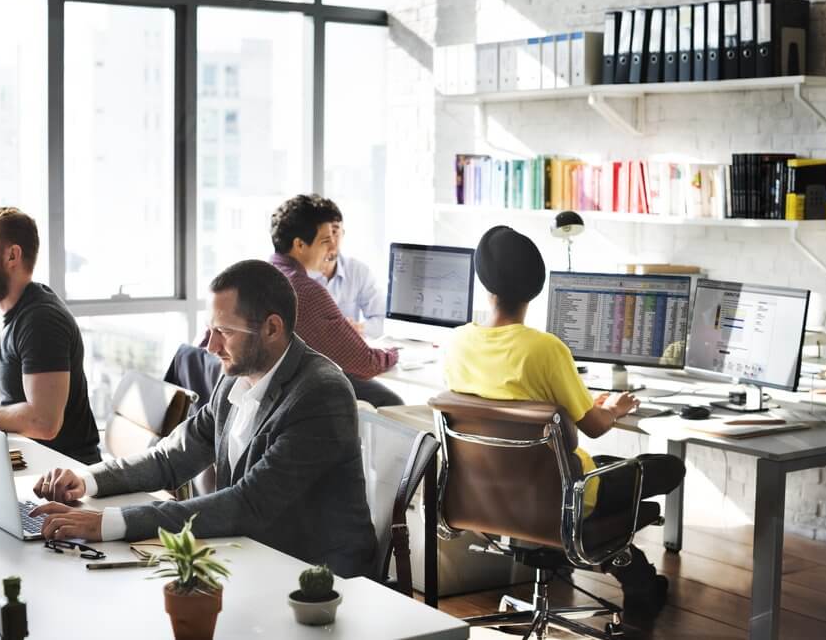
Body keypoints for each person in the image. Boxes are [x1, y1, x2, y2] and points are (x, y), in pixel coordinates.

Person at [30, 260, 378, 578]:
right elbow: (171, 457)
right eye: (210, 329)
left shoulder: (320, 393)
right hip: (253, 557)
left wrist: (107, 523)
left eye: (224, 331)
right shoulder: (234, 379)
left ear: (272, 328)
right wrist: (86, 479)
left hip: (320, 579)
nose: (210, 346)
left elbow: (247, 504)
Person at [443, 225, 686, 619]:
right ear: (536, 288)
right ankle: (635, 577)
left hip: (487, 496)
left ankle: (628, 571)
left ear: (484, 283)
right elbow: (593, 425)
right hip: (564, 496)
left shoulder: (456, 343)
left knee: (603, 465)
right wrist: (615, 409)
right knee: (667, 467)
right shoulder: (546, 349)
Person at [0, 207, 100, 464]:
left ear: (12, 256)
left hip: (62, 472)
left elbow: (44, 422)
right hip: (18, 458)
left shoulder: (41, 320)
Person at [269, 194, 403, 408]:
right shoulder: (305, 291)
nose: (333, 247)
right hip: (291, 397)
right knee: (392, 402)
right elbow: (365, 363)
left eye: (335, 235)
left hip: (271, 392)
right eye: (325, 240)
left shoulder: (263, 273)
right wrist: (395, 352)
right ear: (300, 245)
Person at [314, 198, 386, 339]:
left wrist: (359, 328)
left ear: (343, 233)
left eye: (335, 231)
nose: (331, 241)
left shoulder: (358, 271)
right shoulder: (299, 275)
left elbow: (382, 319)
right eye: (324, 235)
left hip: (345, 352)